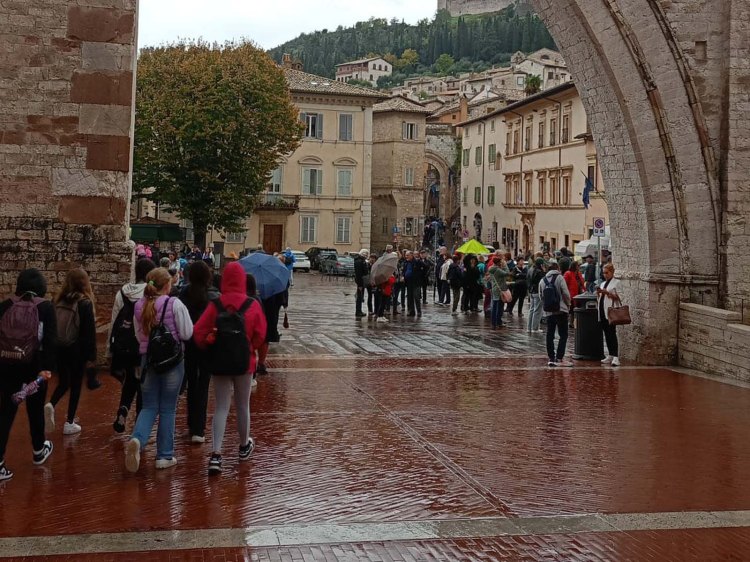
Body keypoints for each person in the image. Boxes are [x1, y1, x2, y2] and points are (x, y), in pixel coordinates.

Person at [194, 262, 267, 475]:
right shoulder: (252, 304)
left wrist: (209, 345)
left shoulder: (216, 304)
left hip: (220, 361)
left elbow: (198, 331)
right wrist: (250, 347)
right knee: (243, 406)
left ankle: (216, 454)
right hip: (244, 362)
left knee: (221, 407)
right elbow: (261, 334)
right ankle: (244, 446)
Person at [125, 268, 193, 472]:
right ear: (167, 285)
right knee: (168, 408)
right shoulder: (174, 304)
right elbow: (187, 333)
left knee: (148, 406)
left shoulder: (139, 305)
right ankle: (164, 455)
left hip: (148, 360)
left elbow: (139, 335)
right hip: (172, 361)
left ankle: (138, 439)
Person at [0, 269, 57, 482]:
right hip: (36, 366)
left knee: (5, 412)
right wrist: (48, 367)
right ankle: (38, 450)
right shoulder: (46, 308)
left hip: (7, 365)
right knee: (35, 410)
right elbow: (50, 341)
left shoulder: (5, 305)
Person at [45, 268, 98, 435]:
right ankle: (69, 422)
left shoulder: (56, 300)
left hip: (59, 348)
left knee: (63, 382)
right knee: (76, 385)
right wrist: (91, 357)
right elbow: (89, 334)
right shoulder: (84, 303)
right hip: (76, 349)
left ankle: (51, 404)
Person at [178, 260, 217, 443]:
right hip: (208, 345)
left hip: (189, 344)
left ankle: (192, 424)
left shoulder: (184, 293)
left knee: (192, 383)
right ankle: (199, 429)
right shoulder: (213, 295)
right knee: (203, 385)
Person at [540, 262, 572, 367]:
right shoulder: (560, 278)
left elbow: (541, 296)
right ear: (557, 268)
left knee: (550, 334)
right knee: (563, 334)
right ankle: (559, 358)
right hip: (561, 310)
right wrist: (568, 305)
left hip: (549, 311)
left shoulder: (542, 280)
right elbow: (566, 293)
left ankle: (551, 358)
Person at [597, 262, 621, 366]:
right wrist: (599, 293)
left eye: (607, 273)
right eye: (603, 273)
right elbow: (601, 298)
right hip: (603, 311)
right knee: (606, 334)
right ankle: (610, 354)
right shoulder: (603, 284)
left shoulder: (617, 283)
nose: (605, 275)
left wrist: (607, 293)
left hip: (611, 311)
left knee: (612, 333)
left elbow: (619, 297)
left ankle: (616, 356)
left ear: (612, 272)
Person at [564, 261, 586, 328]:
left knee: (578, 308)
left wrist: (584, 290)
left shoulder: (579, 273)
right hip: (572, 294)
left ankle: (576, 322)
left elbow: (582, 283)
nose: (579, 267)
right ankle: (571, 323)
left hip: (580, 293)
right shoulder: (568, 273)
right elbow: (564, 284)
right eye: (578, 265)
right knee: (572, 310)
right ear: (574, 266)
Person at [488, 258, 509, 329]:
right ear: (497, 263)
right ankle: (498, 322)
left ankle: (494, 323)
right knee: (499, 306)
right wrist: (505, 266)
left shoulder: (491, 269)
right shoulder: (497, 270)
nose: (501, 263)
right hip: (500, 289)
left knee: (494, 306)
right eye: (500, 262)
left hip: (494, 288)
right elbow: (507, 273)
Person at [403, 251, 423, 317]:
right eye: (406, 255)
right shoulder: (406, 262)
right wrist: (404, 276)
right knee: (409, 297)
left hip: (416, 282)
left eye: (407, 255)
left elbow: (425, 267)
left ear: (411, 255)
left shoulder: (417, 261)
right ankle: (411, 311)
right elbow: (404, 270)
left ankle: (419, 311)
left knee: (416, 297)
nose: (406, 257)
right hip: (408, 282)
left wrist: (421, 276)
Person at [353, 249, 370, 318]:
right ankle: (358, 311)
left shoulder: (361, 261)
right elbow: (359, 274)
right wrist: (360, 285)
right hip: (361, 281)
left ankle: (359, 310)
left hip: (361, 281)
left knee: (360, 296)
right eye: (366, 255)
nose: (367, 256)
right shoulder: (359, 262)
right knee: (359, 297)